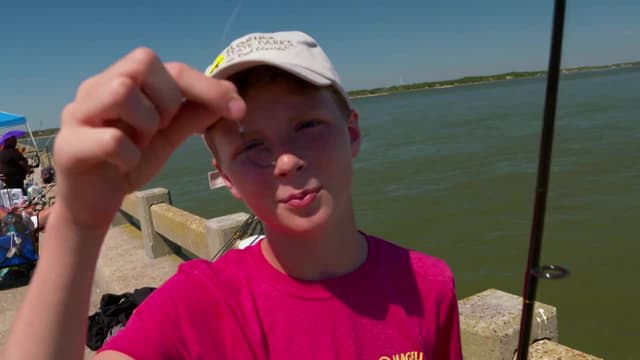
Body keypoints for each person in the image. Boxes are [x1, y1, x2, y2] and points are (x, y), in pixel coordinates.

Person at [1, 31, 462, 359]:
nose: (286, 161)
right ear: (226, 177)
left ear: (353, 132)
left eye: (307, 125)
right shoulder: (198, 302)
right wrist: (78, 227)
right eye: (252, 145)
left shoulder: (430, 285)